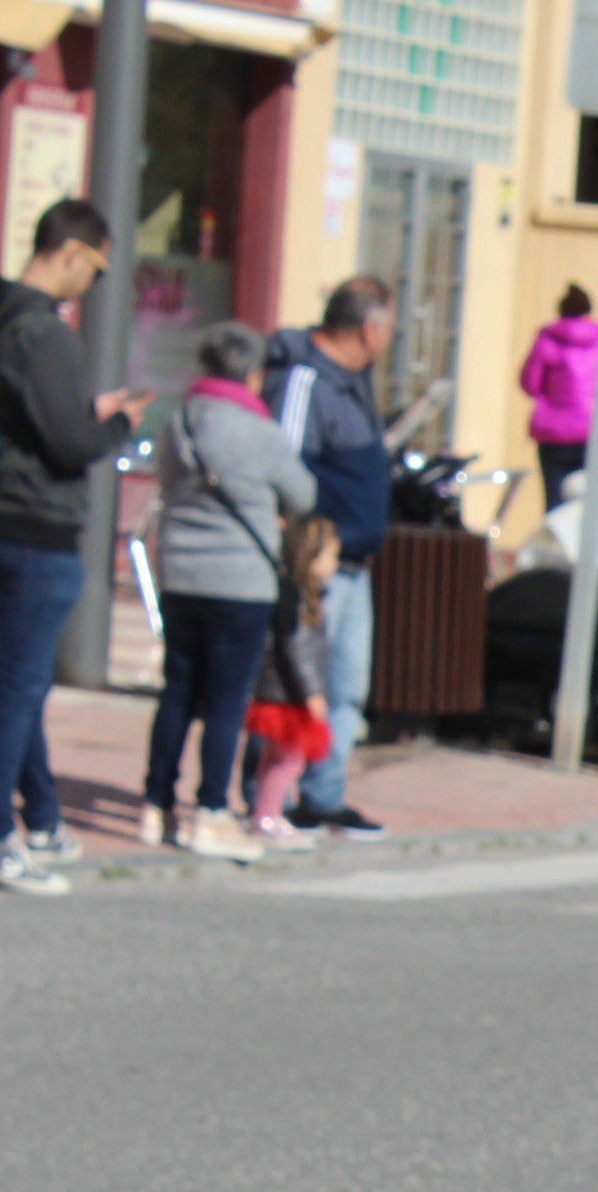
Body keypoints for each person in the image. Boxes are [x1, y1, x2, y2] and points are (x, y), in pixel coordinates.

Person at [0, 200, 152, 895]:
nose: (91, 286)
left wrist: (81, 418)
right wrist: (118, 423)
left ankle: (41, 819)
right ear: (72, 253)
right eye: (96, 271)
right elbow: (69, 444)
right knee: (18, 686)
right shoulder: (46, 335)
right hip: (37, 526)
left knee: (22, 678)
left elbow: (29, 422)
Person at [144, 319, 314, 862]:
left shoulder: (179, 423)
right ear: (252, 371)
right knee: (225, 699)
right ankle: (212, 810)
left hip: (179, 572)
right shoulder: (259, 431)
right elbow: (303, 493)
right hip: (240, 580)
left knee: (177, 690)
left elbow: (167, 482)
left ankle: (157, 804)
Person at [264, 279, 396, 841]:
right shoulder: (304, 379)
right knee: (298, 686)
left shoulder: (354, 383)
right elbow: (284, 468)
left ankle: (323, 795)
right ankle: (267, 797)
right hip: (318, 568)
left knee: (345, 690)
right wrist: (302, 555)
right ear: (369, 329)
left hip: (355, 563)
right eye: (389, 327)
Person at [240, 516, 339, 846]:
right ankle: (268, 817)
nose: (334, 565)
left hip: (278, 691)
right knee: (287, 761)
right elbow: (298, 650)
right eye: (330, 557)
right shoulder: (299, 602)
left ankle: (264, 813)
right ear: (310, 557)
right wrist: (312, 693)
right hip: (288, 695)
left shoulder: (299, 596)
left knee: (276, 758)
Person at [520, 284, 598, 510]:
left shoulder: (548, 340)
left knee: (554, 501)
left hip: (554, 432)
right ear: (588, 312)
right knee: (588, 503)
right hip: (591, 430)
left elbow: (529, 383)